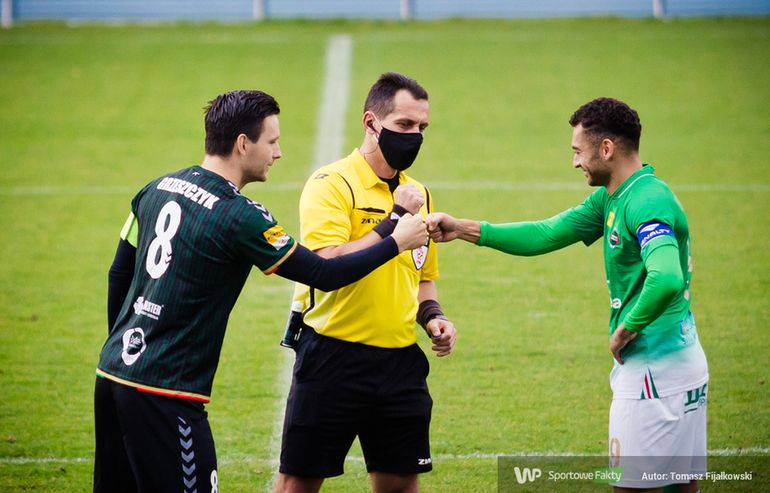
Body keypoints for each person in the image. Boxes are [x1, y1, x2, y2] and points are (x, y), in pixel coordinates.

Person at [93, 89, 429, 493]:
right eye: (272, 141)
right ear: (242, 144)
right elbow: (324, 273)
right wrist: (395, 236)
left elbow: (119, 272)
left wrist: (122, 347)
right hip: (167, 390)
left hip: (112, 374)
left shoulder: (156, 187)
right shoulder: (240, 215)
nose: (278, 152)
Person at [426, 98, 708, 493]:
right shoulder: (617, 196)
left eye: (578, 151)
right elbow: (546, 234)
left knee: (631, 488)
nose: (575, 162)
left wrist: (626, 328)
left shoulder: (645, 202)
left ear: (606, 148)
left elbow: (666, 278)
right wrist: (463, 229)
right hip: (680, 362)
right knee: (680, 486)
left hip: (652, 373)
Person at [275, 72, 457, 493]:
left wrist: (434, 317)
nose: (414, 136)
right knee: (298, 484)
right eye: (404, 125)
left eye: (422, 127)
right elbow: (326, 265)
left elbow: (422, 277)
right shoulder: (331, 184)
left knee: (400, 484)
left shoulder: (418, 193)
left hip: (399, 363)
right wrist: (394, 224)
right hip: (332, 357)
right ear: (371, 123)